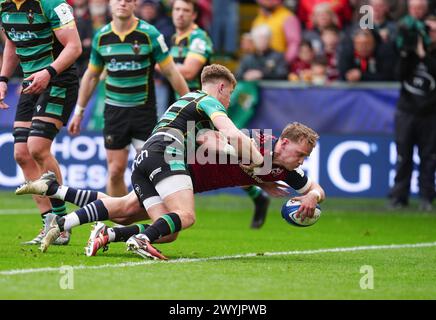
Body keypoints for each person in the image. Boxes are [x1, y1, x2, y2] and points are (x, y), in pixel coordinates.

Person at [17, 122, 325, 259]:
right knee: (176, 222)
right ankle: (120, 235)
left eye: (305, 158)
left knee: (124, 210)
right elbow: (205, 137)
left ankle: (59, 194)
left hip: (173, 175)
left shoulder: (285, 169)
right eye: (300, 154)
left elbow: (316, 187)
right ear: (282, 142)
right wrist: (246, 164)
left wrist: (311, 196)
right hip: (174, 170)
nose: (301, 161)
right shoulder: (256, 142)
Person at [68, 0, 189, 198]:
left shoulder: (150, 34)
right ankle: (118, 225)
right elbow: (91, 76)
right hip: (115, 113)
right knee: (115, 171)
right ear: (110, 4)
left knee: (151, 170)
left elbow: (171, 72)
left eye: (128, 0)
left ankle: (154, 222)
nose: (122, 3)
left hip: (143, 112)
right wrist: (79, 111)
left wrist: (188, 105)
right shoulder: (102, 36)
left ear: (135, 4)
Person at [169, 0, 270, 228]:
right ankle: (257, 193)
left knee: (223, 157)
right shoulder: (174, 41)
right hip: (184, 109)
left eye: (185, 10)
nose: (180, 14)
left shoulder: (198, 38)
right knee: (219, 158)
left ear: (194, 15)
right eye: (177, 9)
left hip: (203, 111)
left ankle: (171, 210)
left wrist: (155, 61)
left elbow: (189, 70)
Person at [0, 0, 82, 245]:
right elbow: (13, 42)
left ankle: (62, 224)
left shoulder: (52, 4)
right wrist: (3, 78)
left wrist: (49, 72)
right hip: (30, 82)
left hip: (59, 79)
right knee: (22, 154)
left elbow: (75, 46)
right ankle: (48, 223)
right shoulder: (4, 5)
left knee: (37, 147)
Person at [388, 15, 436, 211]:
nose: (430, 34)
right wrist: (409, 53)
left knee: (429, 157)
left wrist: (424, 54)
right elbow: (398, 75)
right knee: (403, 156)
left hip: (431, 113)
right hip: (407, 112)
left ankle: (426, 198)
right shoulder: (409, 52)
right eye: (429, 30)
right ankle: (399, 197)